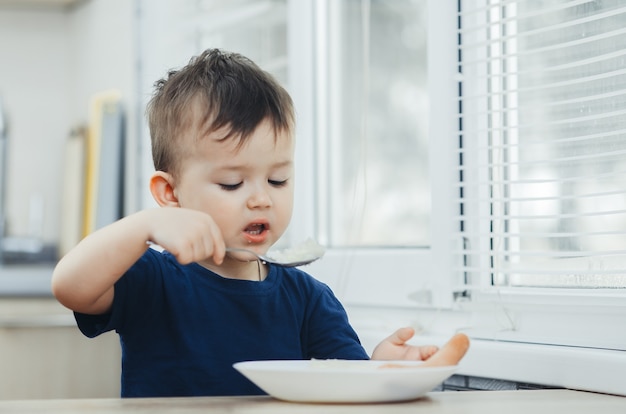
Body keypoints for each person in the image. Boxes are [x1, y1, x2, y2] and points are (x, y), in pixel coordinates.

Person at [51, 48, 468, 398]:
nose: (261, 198)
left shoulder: (308, 300)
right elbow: (69, 286)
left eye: (278, 179)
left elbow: (347, 386)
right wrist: (142, 227)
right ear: (170, 194)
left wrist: (382, 369)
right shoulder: (152, 279)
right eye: (232, 183)